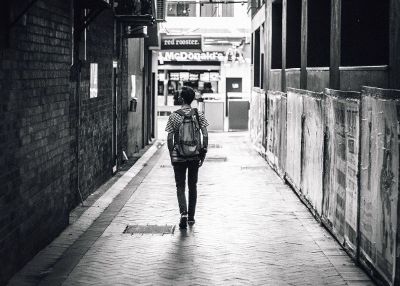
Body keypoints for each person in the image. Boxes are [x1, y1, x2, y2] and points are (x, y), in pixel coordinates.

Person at [165, 86, 209, 229]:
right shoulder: (198, 114)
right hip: (195, 155)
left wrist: (173, 153)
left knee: (180, 186)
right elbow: (205, 134)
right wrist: (203, 151)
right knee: (193, 186)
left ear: (182, 98)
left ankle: (183, 213)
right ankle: (191, 217)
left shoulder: (174, 116)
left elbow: (169, 137)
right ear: (192, 100)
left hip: (179, 156)